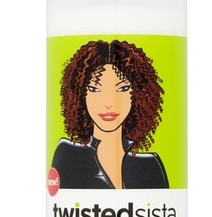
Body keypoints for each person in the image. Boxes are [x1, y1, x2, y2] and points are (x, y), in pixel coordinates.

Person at [51, 40, 168, 189]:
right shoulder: (68, 154)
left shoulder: (151, 165)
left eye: (122, 89)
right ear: (79, 95)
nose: (108, 103)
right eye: (94, 89)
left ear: (139, 96)